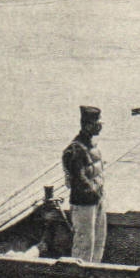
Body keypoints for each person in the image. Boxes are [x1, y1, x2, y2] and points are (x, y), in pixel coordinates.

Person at [63, 105, 107, 263]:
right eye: (98, 123)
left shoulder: (92, 146)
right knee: (84, 245)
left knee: (98, 243)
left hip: (97, 200)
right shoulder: (75, 150)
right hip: (84, 205)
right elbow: (79, 180)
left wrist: (99, 194)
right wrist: (94, 192)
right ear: (88, 125)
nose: (100, 126)